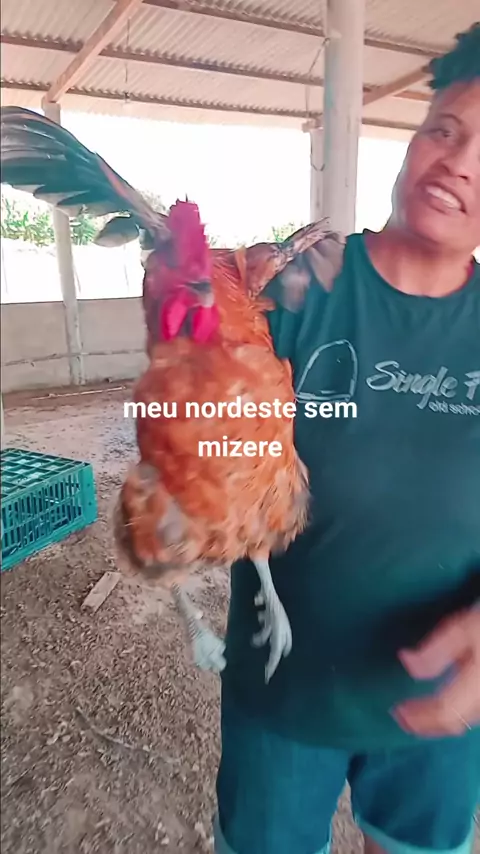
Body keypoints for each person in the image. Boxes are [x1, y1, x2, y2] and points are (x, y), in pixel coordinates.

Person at [214, 22, 480, 854]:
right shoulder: (290, 292)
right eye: (446, 129)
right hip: (282, 689)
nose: (460, 161)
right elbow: (208, 464)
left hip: (440, 702)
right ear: (414, 137)